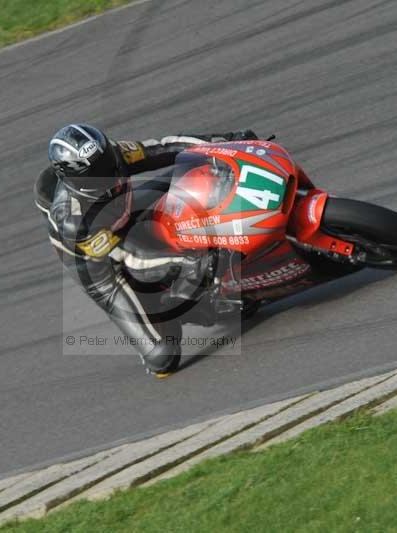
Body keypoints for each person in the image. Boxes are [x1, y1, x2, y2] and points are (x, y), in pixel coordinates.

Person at [34, 124, 256, 377]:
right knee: (163, 358)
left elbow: (164, 146)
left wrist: (224, 143)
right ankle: (174, 307)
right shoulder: (73, 221)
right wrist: (189, 262)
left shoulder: (114, 155)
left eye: (108, 161)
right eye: (99, 171)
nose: (111, 172)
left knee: (199, 168)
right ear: (76, 180)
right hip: (107, 270)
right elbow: (129, 260)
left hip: (126, 212)